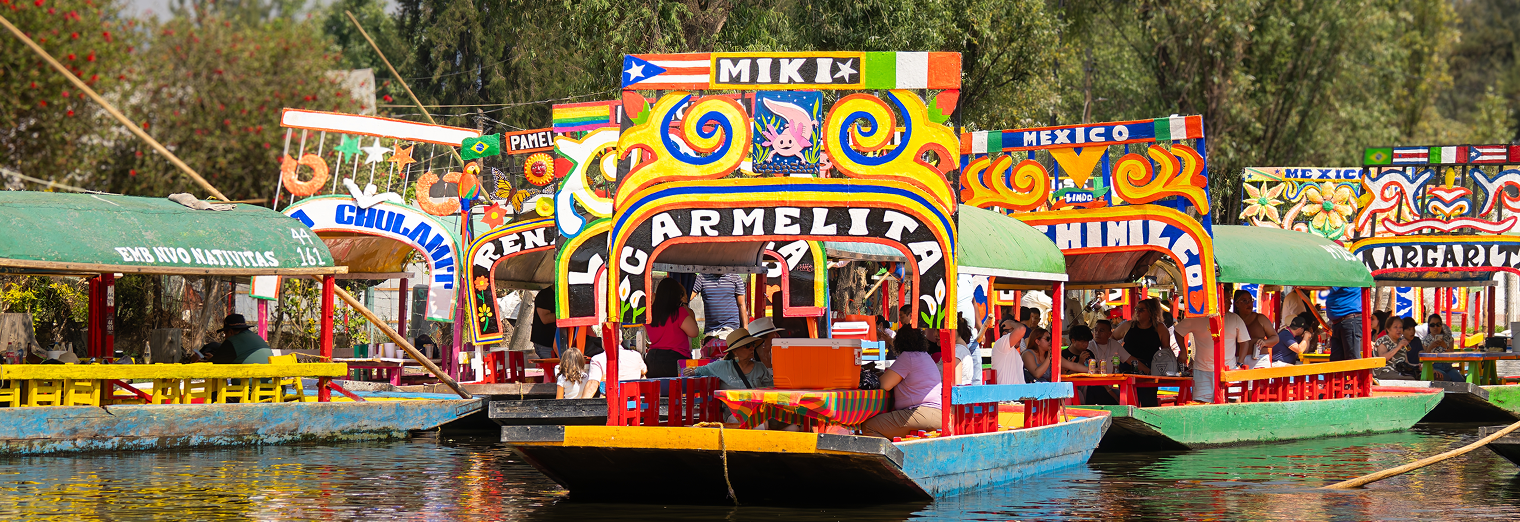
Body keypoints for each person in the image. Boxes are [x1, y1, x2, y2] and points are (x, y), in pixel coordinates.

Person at [861, 327, 943, 439]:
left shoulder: (908, 357)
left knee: (868, 426)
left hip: (920, 413)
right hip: (938, 414)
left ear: (900, 341)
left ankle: (892, 455)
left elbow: (885, 385)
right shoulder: (925, 356)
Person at [1173, 311, 1250, 403]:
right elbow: (1178, 330)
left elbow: (1245, 342)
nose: (1228, 302)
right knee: (1201, 403)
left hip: (1229, 370)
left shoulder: (1235, 318)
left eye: (1229, 299)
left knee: (1232, 402)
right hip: (1202, 370)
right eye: (1225, 299)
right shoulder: (1196, 317)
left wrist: (1239, 364)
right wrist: (1183, 350)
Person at [1114, 298, 1167, 407]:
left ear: (1151, 312)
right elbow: (1111, 340)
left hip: (1149, 371)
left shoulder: (1160, 328)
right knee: (1128, 402)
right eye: (1136, 309)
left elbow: (1166, 353)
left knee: (1149, 402)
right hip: (1127, 368)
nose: (1137, 312)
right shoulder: (1128, 325)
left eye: (1141, 310)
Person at [684, 327, 773, 390]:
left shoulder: (760, 368)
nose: (752, 348)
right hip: (732, 413)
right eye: (747, 346)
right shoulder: (721, 366)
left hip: (755, 412)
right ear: (735, 351)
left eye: (753, 345)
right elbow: (701, 370)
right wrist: (691, 371)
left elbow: (770, 389)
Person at [644, 278, 699, 378]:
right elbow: (694, 332)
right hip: (674, 360)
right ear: (677, 295)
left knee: (657, 392)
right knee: (677, 392)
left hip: (652, 359)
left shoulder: (650, 312)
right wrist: (685, 306)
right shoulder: (679, 312)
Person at [692, 273, 748, 343]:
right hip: (711, 329)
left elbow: (741, 304)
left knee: (722, 350)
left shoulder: (735, 277)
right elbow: (688, 298)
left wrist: (745, 328)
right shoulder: (702, 278)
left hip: (729, 327)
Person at [1232, 290, 1276, 367]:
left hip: (1260, 359)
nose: (1249, 303)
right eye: (1244, 301)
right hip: (1237, 360)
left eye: (1250, 300)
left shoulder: (1260, 318)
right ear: (1237, 304)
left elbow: (1275, 338)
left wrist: (1265, 342)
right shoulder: (1232, 319)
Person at [1420, 314, 1463, 381]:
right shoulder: (1424, 340)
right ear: (1429, 326)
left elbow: (1453, 358)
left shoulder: (1449, 339)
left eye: (1438, 324)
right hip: (1434, 366)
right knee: (1444, 378)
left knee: (1460, 380)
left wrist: (1445, 347)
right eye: (1432, 325)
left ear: (1441, 325)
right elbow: (1424, 359)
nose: (1435, 327)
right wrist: (1430, 347)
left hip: (1448, 366)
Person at [1324, 287, 1362, 361]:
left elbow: (1325, 286)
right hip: (1338, 323)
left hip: (1349, 321)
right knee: (1336, 360)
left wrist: (1303, 286)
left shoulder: (1345, 276)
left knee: (1352, 359)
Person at [989, 317, 1028, 384]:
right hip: (1006, 392)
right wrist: (1011, 323)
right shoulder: (1001, 344)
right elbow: (1021, 329)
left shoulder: (1013, 351)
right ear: (1004, 333)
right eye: (1014, 331)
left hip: (1016, 392)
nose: (1020, 337)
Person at [1373, 315, 1413, 380]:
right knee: (1410, 379)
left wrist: (1416, 366)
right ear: (1388, 329)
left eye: (1400, 327)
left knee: (1418, 376)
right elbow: (1383, 358)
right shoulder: (1383, 340)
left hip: (1400, 371)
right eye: (1395, 327)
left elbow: (1406, 362)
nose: (1399, 330)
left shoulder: (1401, 341)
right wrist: (1398, 347)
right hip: (1384, 372)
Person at [530, 290, 558, 360]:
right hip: (546, 345)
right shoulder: (545, 295)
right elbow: (545, 319)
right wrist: (567, 315)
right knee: (554, 368)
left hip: (560, 343)